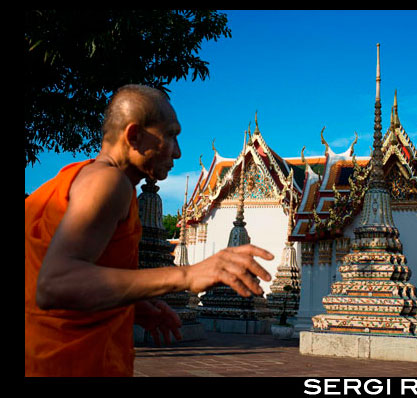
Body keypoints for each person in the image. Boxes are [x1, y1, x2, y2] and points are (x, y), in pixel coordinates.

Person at [25, 84, 273, 377]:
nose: (178, 152)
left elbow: (56, 276)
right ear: (134, 136)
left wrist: (133, 304)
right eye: (170, 135)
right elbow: (54, 285)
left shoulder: (81, 180)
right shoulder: (108, 183)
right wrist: (186, 275)